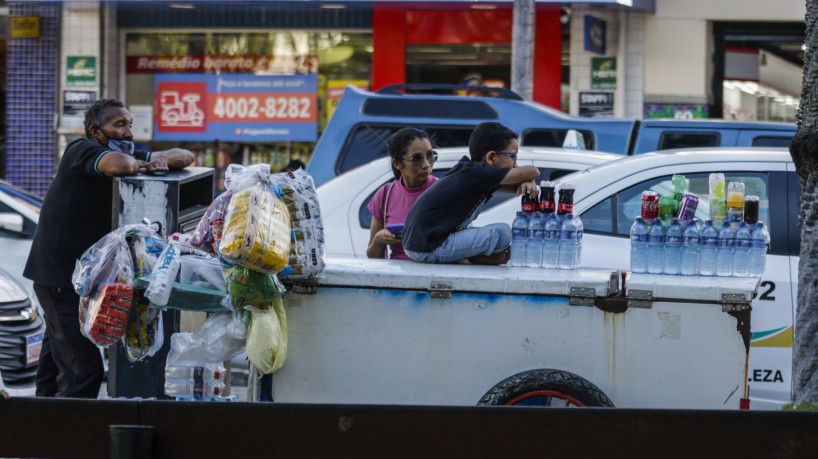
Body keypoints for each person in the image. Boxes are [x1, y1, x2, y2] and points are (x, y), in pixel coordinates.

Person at [23, 98, 195, 398]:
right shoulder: (82, 150)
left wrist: (161, 159)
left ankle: (41, 436)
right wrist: (145, 162)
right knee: (83, 371)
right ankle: (71, 441)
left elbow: (185, 155)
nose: (129, 133)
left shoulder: (117, 150)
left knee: (53, 369)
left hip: (81, 281)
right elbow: (122, 165)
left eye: (130, 125)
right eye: (119, 125)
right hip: (59, 278)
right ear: (96, 131)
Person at [403, 122, 539, 265]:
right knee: (502, 233)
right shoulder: (478, 174)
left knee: (498, 232)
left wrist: (526, 180)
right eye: (512, 157)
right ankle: (473, 259)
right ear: (491, 157)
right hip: (429, 247)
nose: (515, 164)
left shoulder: (472, 173)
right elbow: (534, 171)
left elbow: (517, 185)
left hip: (420, 245)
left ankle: (463, 257)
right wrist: (527, 176)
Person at [366, 128, 439, 260]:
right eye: (416, 158)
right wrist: (378, 240)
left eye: (430, 155)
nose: (426, 164)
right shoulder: (384, 195)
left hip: (434, 277)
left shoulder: (443, 190)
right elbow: (373, 257)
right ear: (397, 164)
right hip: (397, 277)